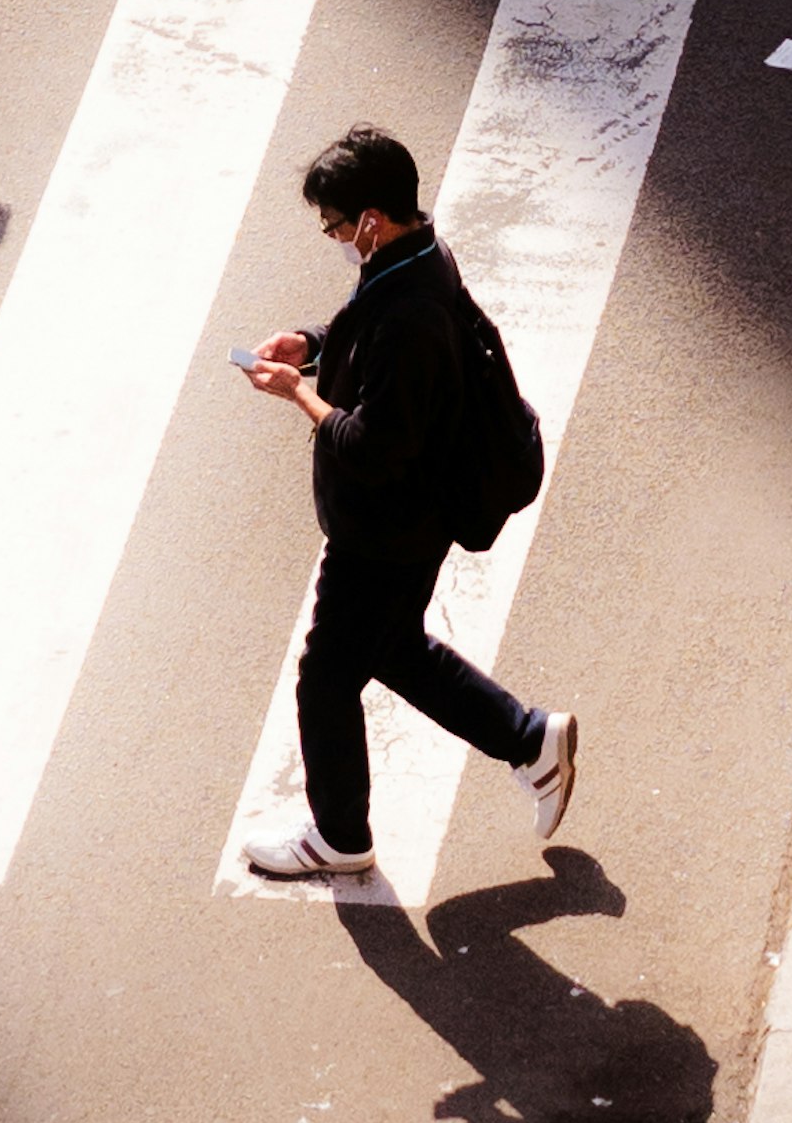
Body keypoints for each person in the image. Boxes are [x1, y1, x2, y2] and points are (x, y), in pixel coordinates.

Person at [242, 122, 579, 899]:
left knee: (326, 676)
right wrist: (312, 343)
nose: (332, 237)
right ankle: (531, 741)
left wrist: (300, 394)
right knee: (390, 649)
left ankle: (339, 837)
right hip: (413, 515)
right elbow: (367, 342)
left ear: (369, 220)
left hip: (386, 525)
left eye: (333, 225)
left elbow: (371, 444)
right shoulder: (417, 256)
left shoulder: (408, 313)